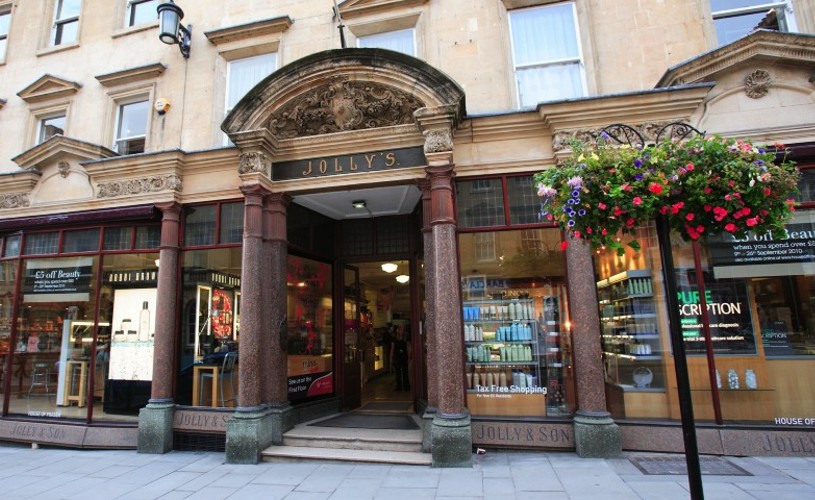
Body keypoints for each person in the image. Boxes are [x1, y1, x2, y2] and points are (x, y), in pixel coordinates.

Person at [390, 325, 410, 391]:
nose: (402, 331)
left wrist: (409, 356)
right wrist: (391, 358)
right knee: (398, 372)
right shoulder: (394, 339)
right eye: (401, 329)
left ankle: (406, 386)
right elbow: (392, 349)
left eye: (403, 329)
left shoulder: (405, 338)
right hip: (397, 357)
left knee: (405, 372)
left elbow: (408, 348)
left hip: (404, 357)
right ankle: (399, 387)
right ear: (397, 330)